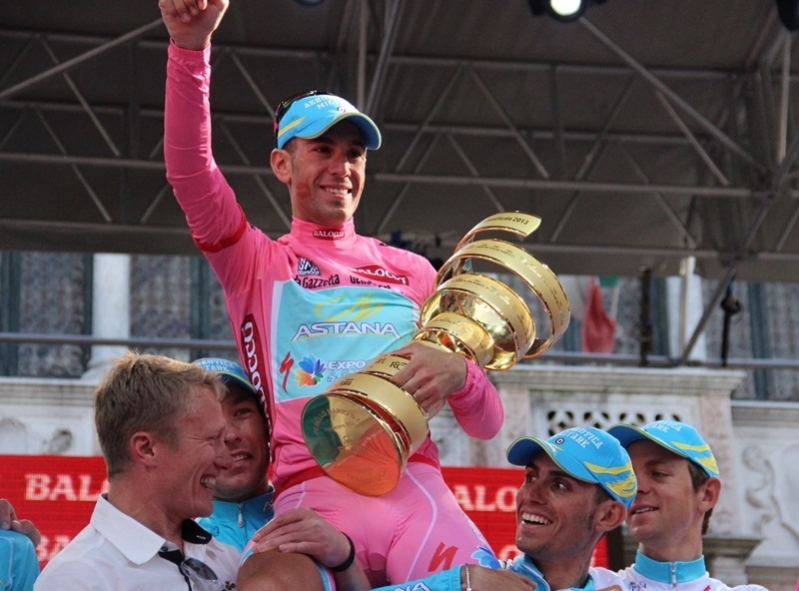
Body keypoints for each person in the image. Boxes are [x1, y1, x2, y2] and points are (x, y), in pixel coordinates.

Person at [159, 0, 504, 588]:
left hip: (417, 494)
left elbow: (487, 424)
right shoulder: (257, 263)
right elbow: (190, 173)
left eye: (354, 153)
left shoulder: (415, 272)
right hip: (311, 499)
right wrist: (189, 50)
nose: (341, 165)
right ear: (282, 164)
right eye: (322, 149)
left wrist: (461, 374)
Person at [33, 352, 240, 590]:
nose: (226, 462)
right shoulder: (77, 579)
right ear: (146, 448)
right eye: (211, 440)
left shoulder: (227, 560)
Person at [591, 420, 769, 591]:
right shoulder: (593, 584)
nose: (636, 489)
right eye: (629, 480)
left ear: (707, 494)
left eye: (658, 473)